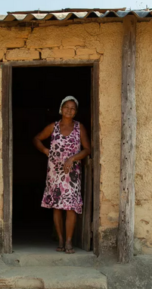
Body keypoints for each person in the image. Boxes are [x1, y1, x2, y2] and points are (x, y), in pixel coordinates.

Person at [33, 96, 91, 254]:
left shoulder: (80, 128)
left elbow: (87, 149)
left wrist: (73, 158)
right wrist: (46, 151)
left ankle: (69, 241)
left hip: (72, 173)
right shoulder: (54, 127)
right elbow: (37, 139)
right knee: (57, 208)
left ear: (76, 112)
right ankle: (60, 239)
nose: (69, 110)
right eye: (67, 107)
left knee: (70, 207)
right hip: (55, 172)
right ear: (61, 108)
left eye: (73, 108)